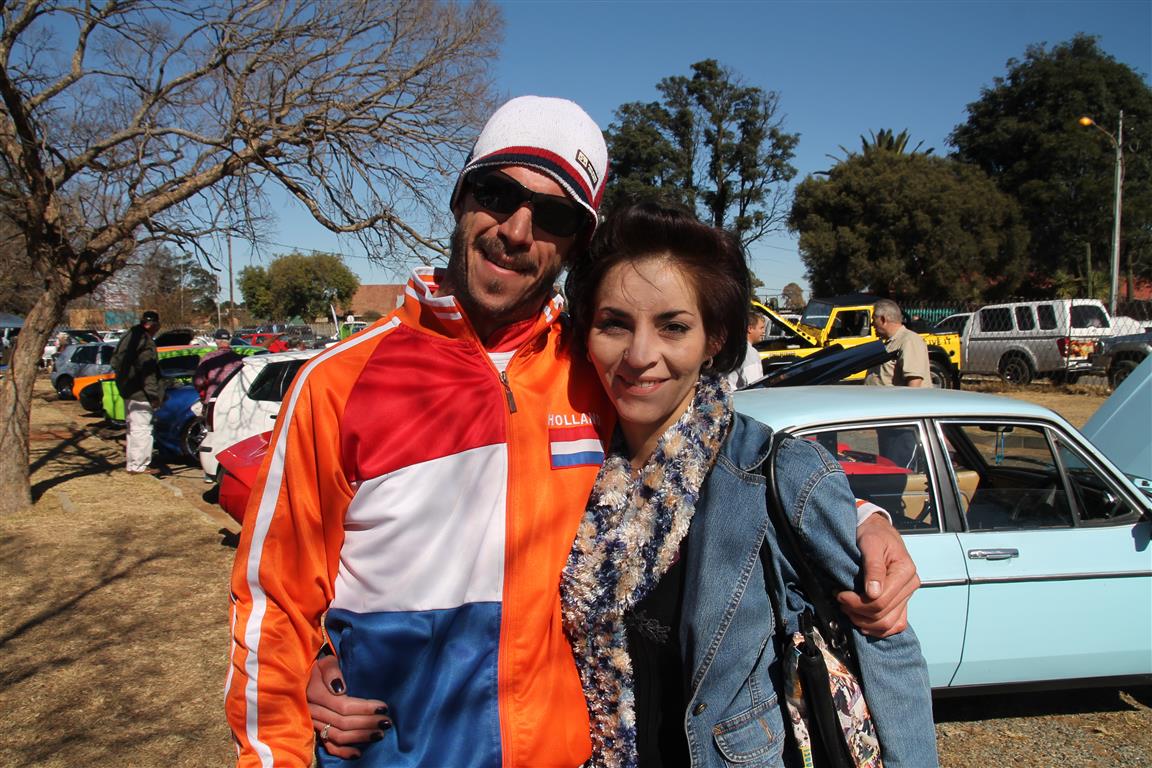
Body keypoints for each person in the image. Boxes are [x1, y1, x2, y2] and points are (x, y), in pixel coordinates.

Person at [231, 98, 918, 768]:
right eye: (497, 194)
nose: (516, 230)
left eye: (554, 215)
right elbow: (275, 603)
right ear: (460, 196)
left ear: (575, 245)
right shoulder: (337, 383)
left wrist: (861, 520)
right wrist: (318, 663)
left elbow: (710, 445)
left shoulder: (592, 367)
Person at [559, 202, 937, 767]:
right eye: (614, 323)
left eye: (673, 326)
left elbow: (886, 646)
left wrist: (865, 518)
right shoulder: (570, 463)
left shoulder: (779, 473)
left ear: (714, 339)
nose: (639, 356)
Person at [109, 310, 162, 475]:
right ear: (153, 325)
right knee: (143, 430)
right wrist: (153, 395)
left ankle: (133, 464)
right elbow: (148, 372)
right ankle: (139, 465)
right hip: (141, 393)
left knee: (132, 430)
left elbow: (114, 362)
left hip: (128, 390)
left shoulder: (128, 337)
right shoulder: (145, 342)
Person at [866, 298, 931, 388]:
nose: (872, 324)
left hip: (897, 397)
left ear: (883, 319)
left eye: (874, 319)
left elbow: (914, 383)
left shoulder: (909, 340)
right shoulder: (892, 342)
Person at [193, 328, 243, 404]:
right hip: (235, 400)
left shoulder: (208, 358)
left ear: (216, 341)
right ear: (229, 340)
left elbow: (199, 382)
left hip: (214, 400)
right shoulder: (240, 359)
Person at [729, 309, 766, 389]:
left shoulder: (732, 347)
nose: (764, 332)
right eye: (761, 328)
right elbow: (754, 385)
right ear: (749, 329)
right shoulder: (748, 352)